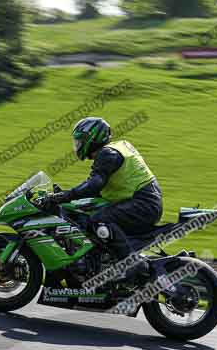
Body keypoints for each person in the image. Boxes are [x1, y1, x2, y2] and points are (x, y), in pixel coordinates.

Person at [44, 117, 163, 281]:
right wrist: (67, 197)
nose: (77, 145)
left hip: (143, 203)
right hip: (142, 202)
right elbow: (99, 189)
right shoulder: (114, 149)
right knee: (87, 214)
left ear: (93, 138)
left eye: (81, 140)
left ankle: (132, 264)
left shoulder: (108, 153)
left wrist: (64, 196)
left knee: (99, 220)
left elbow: (94, 185)